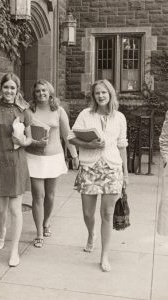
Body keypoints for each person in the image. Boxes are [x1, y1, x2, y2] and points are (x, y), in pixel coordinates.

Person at [68, 79, 128, 272]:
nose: (101, 96)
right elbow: (71, 137)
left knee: (107, 214)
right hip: (89, 168)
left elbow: (122, 146)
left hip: (112, 168)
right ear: (93, 96)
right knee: (87, 213)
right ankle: (91, 233)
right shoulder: (86, 114)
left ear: (110, 94)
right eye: (97, 93)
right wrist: (88, 145)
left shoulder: (119, 117)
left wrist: (125, 174)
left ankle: (104, 255)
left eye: (104, 93)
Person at [0, 73, 32, 267]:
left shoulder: (24, 111)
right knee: (0, 208)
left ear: (17, 90)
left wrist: (23, 141)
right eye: (6, 87)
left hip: (17, 160)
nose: (9, 91)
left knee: (15, 208)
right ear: (1, 88)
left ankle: (14, 251)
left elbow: (29, 138)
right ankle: (2, 229)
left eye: (13, 88)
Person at [26, 79, 79, 248]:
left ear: (50, 92)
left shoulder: (58, 110)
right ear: (34, 94)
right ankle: (39, 233)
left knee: (50, 195)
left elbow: (67, 134)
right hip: (34, 157)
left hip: (54, 157)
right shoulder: (28, 111)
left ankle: (46, 222)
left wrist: (74, 155)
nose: (41, 93)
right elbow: (22, 132)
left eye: (44, 90)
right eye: (37, 91)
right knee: (38, 196)